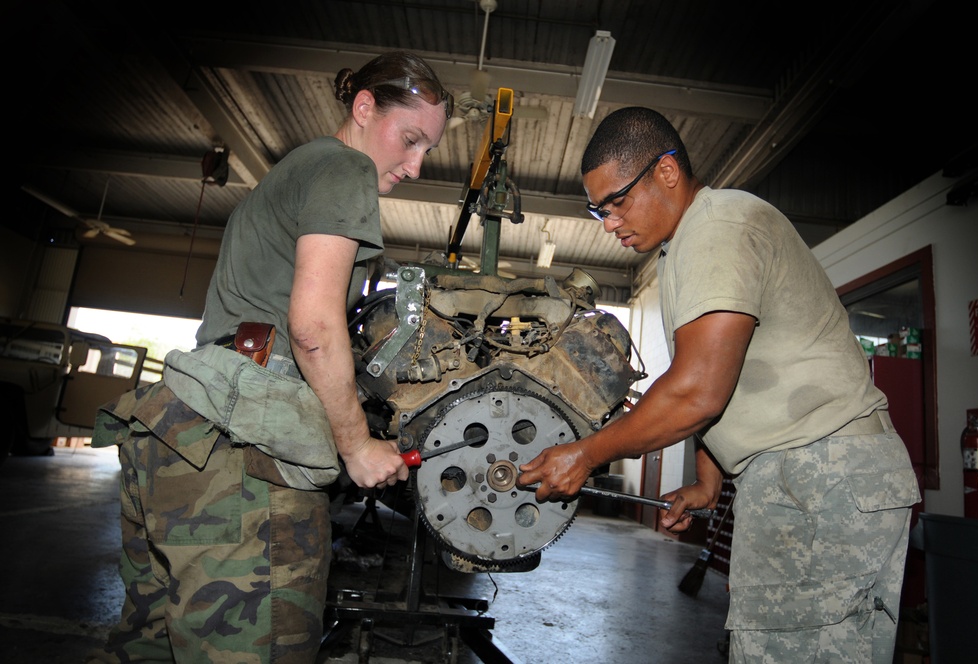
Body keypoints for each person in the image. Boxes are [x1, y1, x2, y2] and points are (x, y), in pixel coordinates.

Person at [517, 107, 920, 663]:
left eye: (617, 202)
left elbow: (696, 391)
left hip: (823, 476)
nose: (608, 223)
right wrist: (710, 482)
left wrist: (585, 454)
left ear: (665, 172)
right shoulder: (685, 246)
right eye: (598, 210)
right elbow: (722, 381)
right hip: (798, 475)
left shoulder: (719, 227)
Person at [87, 51, 451, 663]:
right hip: (239, 453)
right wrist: (357, 446)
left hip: (173, 431)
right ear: (364, 108)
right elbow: (312, 328)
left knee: (149, 645)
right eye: (410, 139)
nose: (414, 166)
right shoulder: (344, 169)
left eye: (426, 151)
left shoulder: (294, 171)